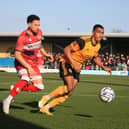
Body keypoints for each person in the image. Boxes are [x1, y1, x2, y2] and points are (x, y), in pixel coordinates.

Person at [38, 24, 112, 116]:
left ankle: (46, 107)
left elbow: (95, 57)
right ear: (93, 33)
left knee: (69, 92)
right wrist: (73, 64)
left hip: (77, 67)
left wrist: (103, 67)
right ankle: (46, 97)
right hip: (67, 62)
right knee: (69, 86)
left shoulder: (98, 46)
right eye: (98, 32)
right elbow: (66, 49)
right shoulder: (83, 41)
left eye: (102, 33)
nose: (100, 35)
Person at [3, 14, 53, 114]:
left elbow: (39, 45)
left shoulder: (39, 33)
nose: (37, 27)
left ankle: (16, 88)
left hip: (33, 63)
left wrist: (46, 54)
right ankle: (7, 100)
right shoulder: (22, 37)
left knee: (39, 87)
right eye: (35, 25)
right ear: (29, 24)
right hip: (21, 62)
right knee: (25, 79)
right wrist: (28, 67)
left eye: (39, 25)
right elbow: (17, 55)